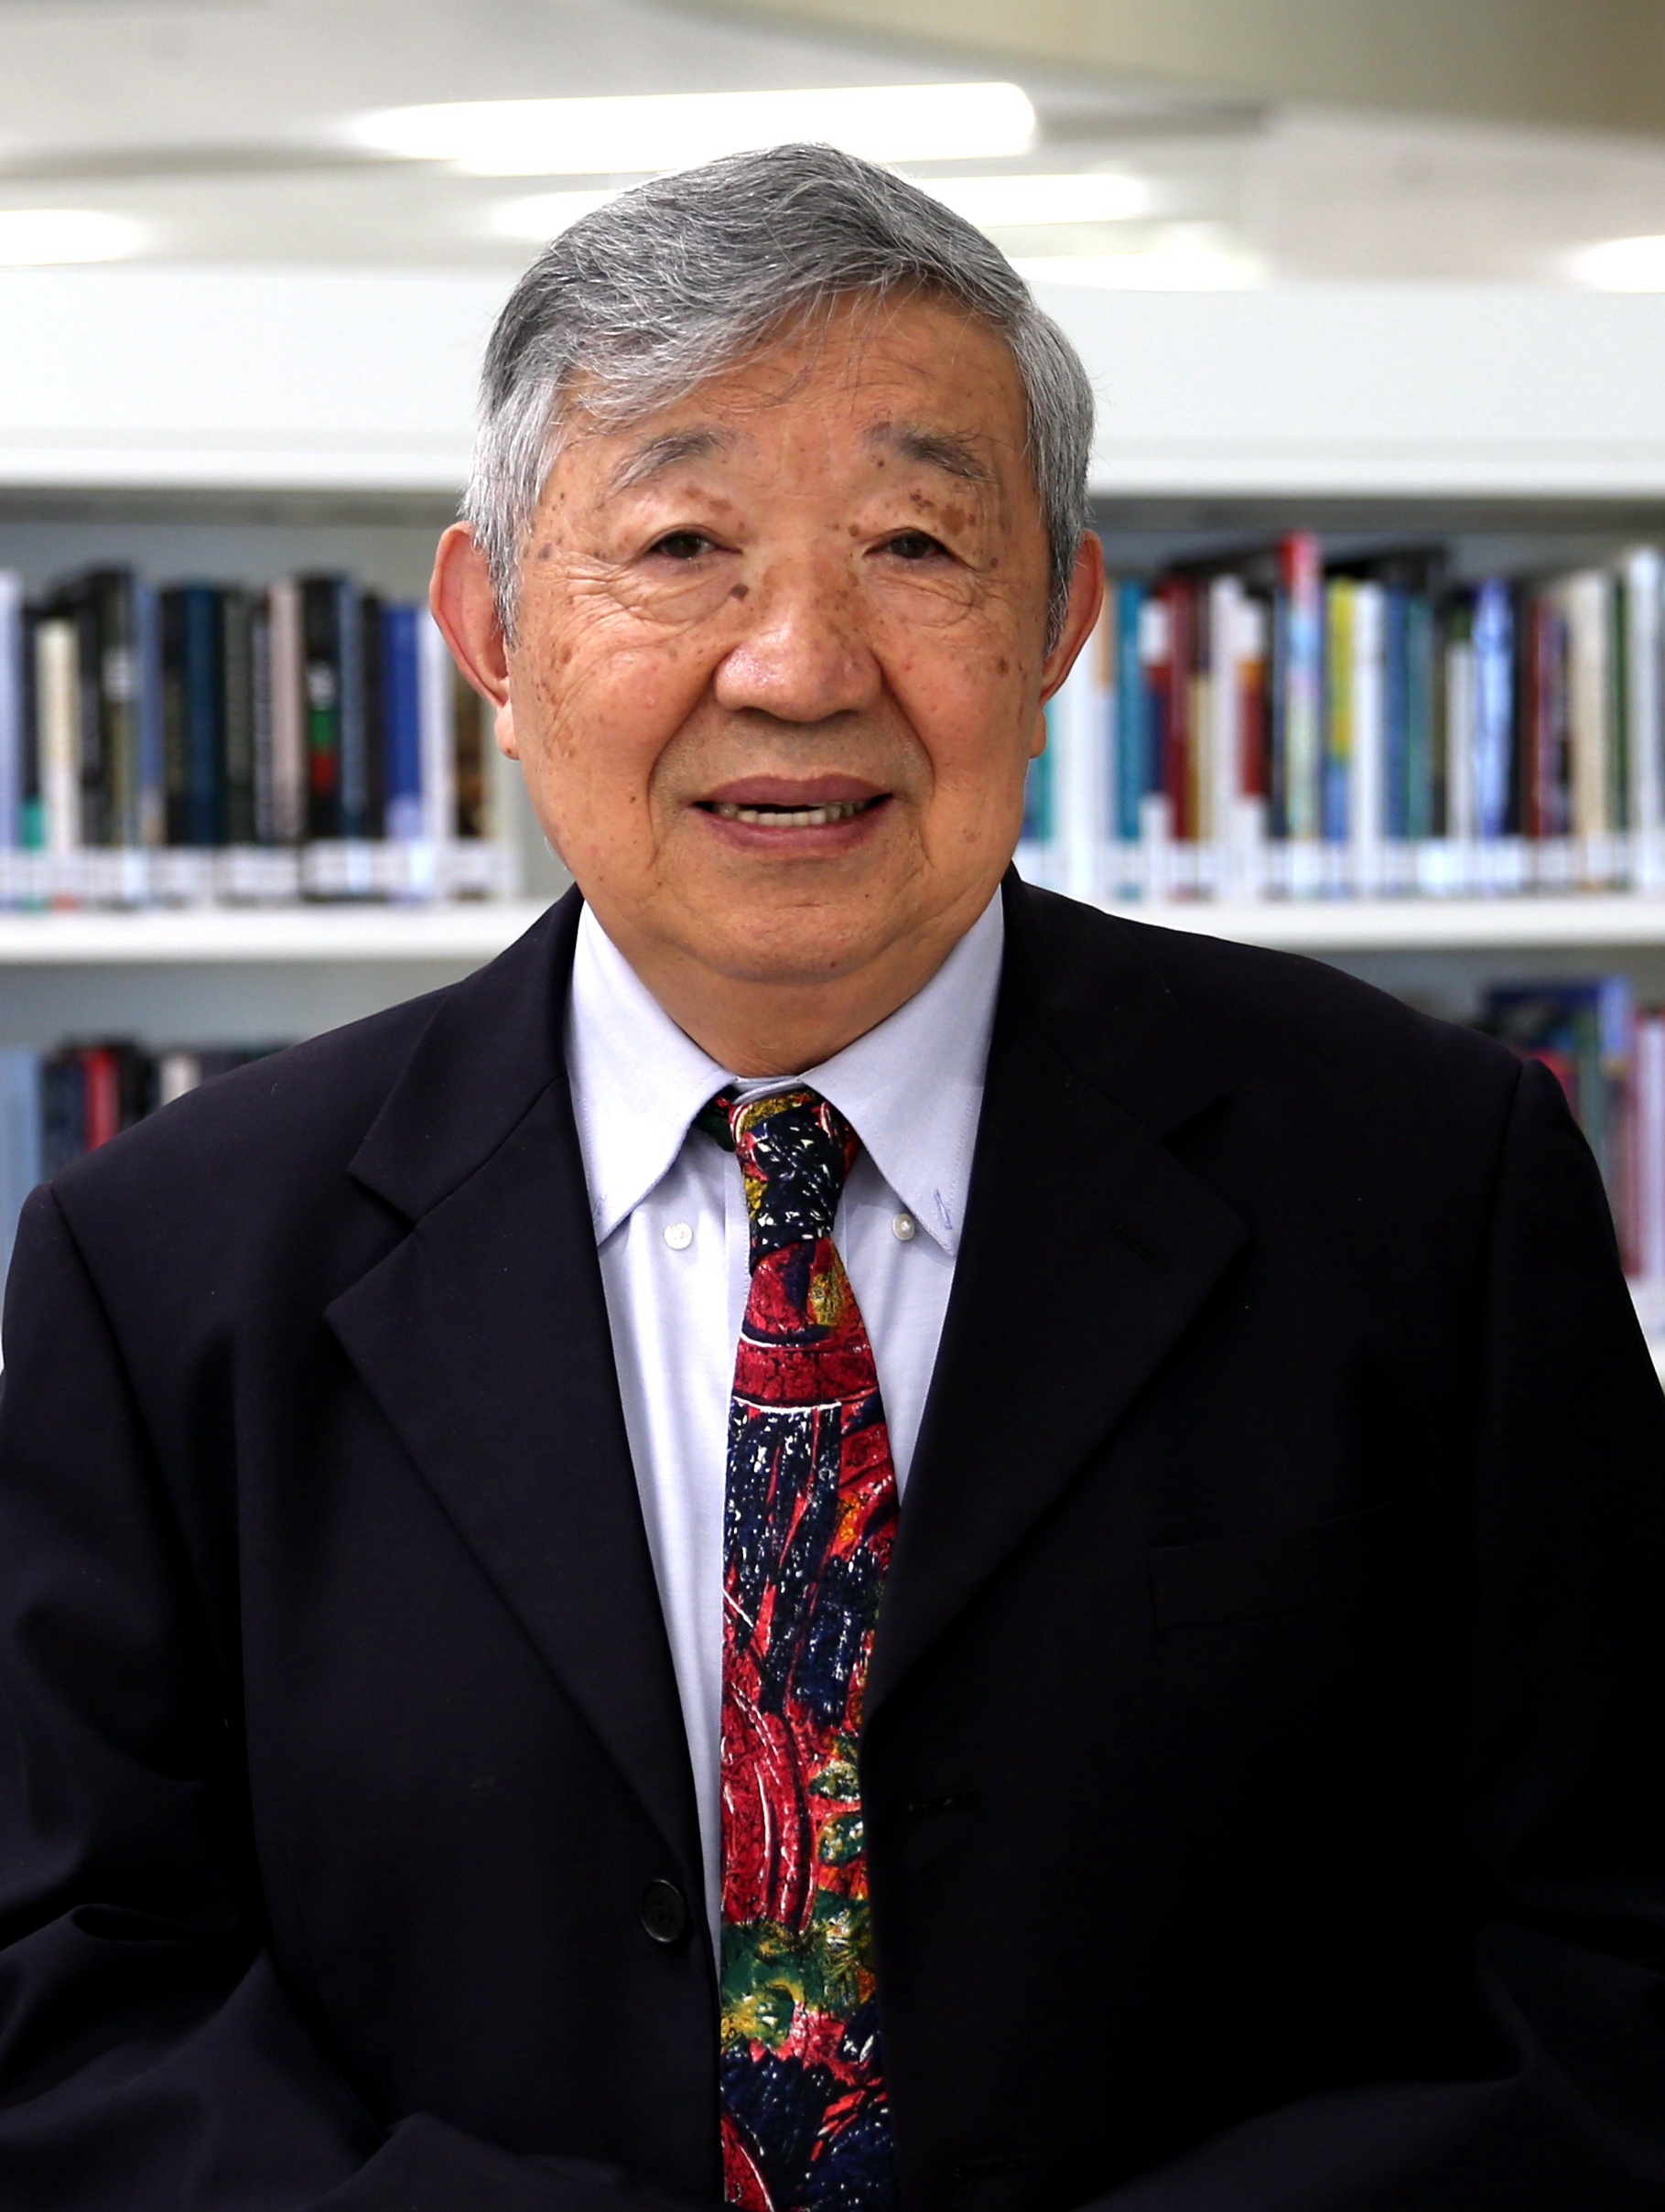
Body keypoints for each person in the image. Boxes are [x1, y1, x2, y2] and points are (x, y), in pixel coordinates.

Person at [1, 143, 1663, 2212]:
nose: (797, 665)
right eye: (682, 545)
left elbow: (1615, 1960)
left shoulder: (1426, 1183)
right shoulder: (165, 1266)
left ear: (1058, 621)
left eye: (911, 544)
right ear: (492, 632)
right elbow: (73, 1996)